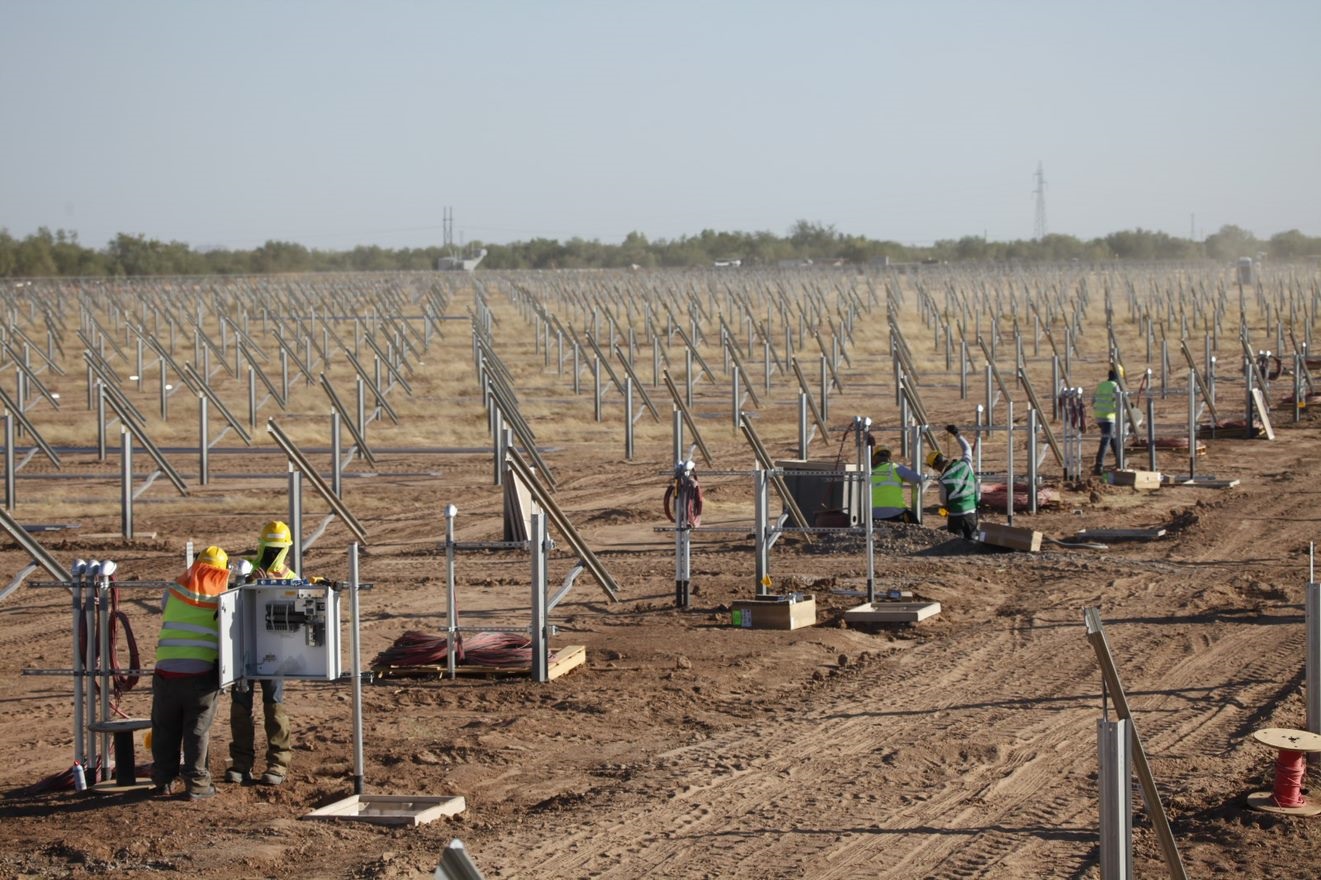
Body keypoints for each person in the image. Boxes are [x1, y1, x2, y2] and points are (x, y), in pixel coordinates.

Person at [151, 545, 232, 800]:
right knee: (196, 730)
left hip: (165, 671)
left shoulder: (173, 591)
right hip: (201, 675)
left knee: (165, 729)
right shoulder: (225, 598)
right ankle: (197, 784)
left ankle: (163, 780)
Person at [224, 521, 296, 786]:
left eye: (277, 548)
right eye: (270, 548)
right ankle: (242, 764)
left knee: (274, 705)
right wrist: (247, 585)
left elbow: (296, 618)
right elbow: (227, 606)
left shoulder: (290, 577)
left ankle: (278, 763)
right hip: (244, 650)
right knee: (241, 706)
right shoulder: (245, 571)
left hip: (274, 651)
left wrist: (274, 589)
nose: (273, 553)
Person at [926, 425, 979, 540]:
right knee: (973, 543)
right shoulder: (965, 464)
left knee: (955, 545)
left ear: (934, 467)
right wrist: (957, 434)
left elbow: (944, 500)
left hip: (955, 517)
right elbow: (967, 449)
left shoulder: (943, 480)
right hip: (971, 513)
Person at [869, 446, 924, 523]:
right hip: (896, 513)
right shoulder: (895, 468)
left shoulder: (869, 472)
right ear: (889, 457)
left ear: (874, 458)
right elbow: (916, 479)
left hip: (875, 515)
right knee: (914, 521)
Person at [1091, 367, 1121, 475]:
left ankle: (1120, 461)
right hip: (1109, 418)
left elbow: (1093, 401)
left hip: (1099, 417)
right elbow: (1119, 401)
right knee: (1106, 440)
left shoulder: (1101, 385)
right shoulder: (1116, 386)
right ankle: (1098, 466)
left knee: (1113, 439)